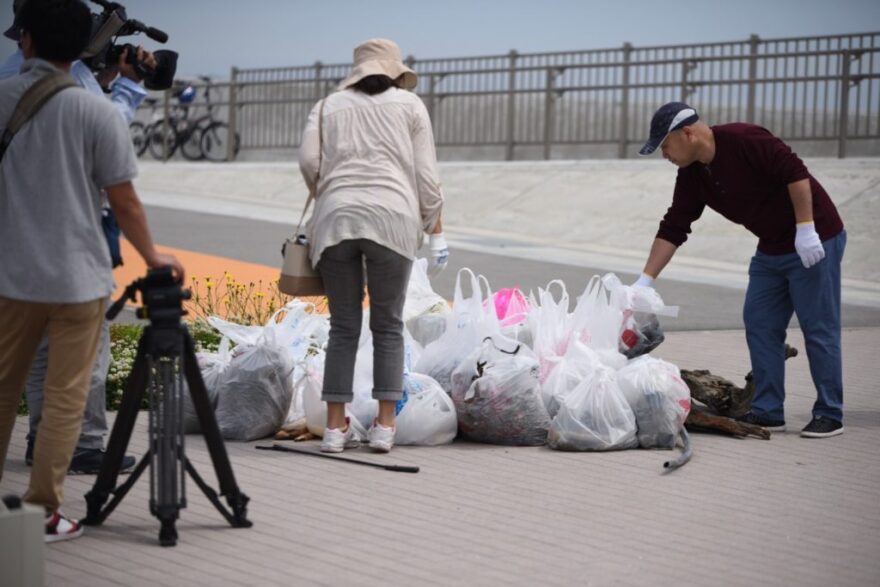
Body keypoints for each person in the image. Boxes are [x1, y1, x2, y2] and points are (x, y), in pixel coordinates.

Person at [0, 0, 184, 542]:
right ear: (85, 44)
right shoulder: (98, 109)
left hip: (12, 275)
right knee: (65, 398)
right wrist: (155, 258)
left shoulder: (4, 94)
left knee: (5, 388)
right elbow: (123, 201)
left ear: (26, 39)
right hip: (79, 278)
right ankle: (41, 513)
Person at [634, 101, 846, 439]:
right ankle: (768, 411)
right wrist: (644, 281)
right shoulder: (692, 175)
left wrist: (806, 228)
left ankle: (829, 412)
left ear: (687, 133)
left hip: (814, 240)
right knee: (760, 322)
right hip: (771, 248)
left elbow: (795, 173)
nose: (665, 155)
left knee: (818, 326)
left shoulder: (744, 139)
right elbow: (675, 225)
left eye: (665, 146)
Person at [298, 38, 446, 454]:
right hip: (393, 220)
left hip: (336, 220)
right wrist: (434, 226)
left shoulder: (327, 105)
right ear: (395, 72)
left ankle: (332, 429)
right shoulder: (410, 106)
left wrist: (331, 191)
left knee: (343, 326)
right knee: (388, 325)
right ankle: (384, 427)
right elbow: (427, 176)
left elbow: (309, 161)